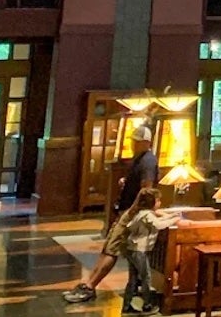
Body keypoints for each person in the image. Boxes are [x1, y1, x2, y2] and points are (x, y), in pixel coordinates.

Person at [64, 124, 158, 304]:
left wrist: (131, 213)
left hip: (130, 214)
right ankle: (88, 283)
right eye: (133, 141)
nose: (133, 144)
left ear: (146, 142)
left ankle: (90, 287)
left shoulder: (147, 161)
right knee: (108, 248)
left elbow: (146, 190)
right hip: (126, 211)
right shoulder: (140, 159)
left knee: (111, 250)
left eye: (137, 142)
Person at [121, 187, 178, 315]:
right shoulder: (146, 214)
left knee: (133, 279)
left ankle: (126, 306)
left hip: (132, 249)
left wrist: (170, 216)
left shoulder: (142, 213)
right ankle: (147, 305)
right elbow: (158, 225)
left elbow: (157, 221)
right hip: (139, 250)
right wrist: (175, 220)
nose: (160, 203)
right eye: (158, 200)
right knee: (146, 277)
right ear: (151, 202)